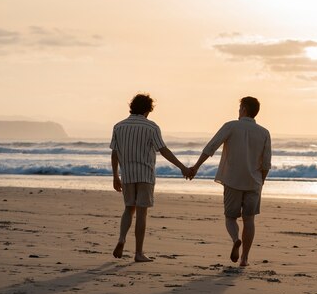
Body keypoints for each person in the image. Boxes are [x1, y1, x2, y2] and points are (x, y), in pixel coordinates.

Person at [190, 96, 272, 267]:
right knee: (249, 220)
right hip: (254, 182)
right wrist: (261, 182)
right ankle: (245, 259)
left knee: (230, 217)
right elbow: (266, 163)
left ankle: (236, 239)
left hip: (232, 180)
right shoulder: (264, 132)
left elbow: (211, 147)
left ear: (243, 109)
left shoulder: (231, 126)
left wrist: (196, 166)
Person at [110, 93, 190, 262]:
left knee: (128, 209)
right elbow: (163, 150)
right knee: (141, 213)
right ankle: (138, 253)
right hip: (145, 174)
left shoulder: (118, 126)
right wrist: (182, 167)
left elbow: (115, 153)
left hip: (127, 174)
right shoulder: (151, 127)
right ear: (148, 109)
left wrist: (115, 176)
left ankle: (122, 239)